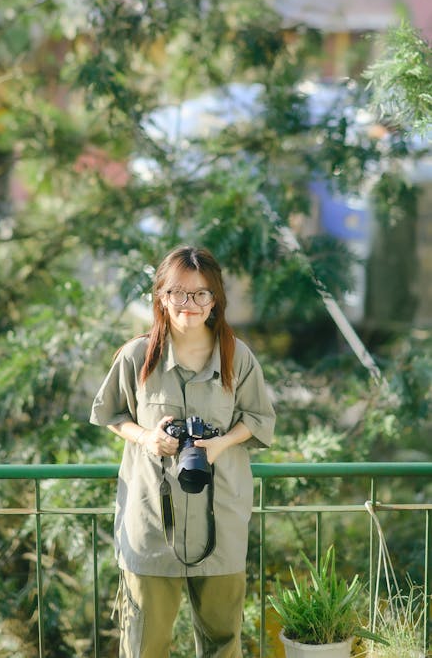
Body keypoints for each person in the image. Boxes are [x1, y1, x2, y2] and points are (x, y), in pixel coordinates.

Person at [90, 245, 275, 658]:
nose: (188, 304)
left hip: (220, 519)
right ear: (161, 296)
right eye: (177, 293)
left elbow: (260, 420)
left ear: (215, 300)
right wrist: (146, 437)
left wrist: (220, 443)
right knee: (144, 646)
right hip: (151, 524)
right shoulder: (137, 355)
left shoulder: (236, 356)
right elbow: (111, 414)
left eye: (201, 294)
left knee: (223, 645)